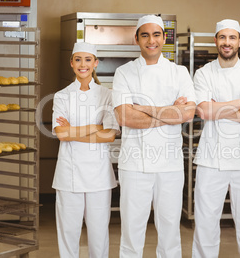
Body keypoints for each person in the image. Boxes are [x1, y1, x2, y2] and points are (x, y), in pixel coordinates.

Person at [112, 14, 196, 258]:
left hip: (169, 164)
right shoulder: (124, 73)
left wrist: (143, 107)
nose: (151, 40)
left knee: (170, 229)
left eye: (156, 34)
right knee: (132, 229)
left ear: (164, 38)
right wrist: (171, 110)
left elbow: (188, 112)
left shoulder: (179, 72)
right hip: (135, 163)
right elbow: (125, 118)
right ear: (136, 38)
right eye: (145, 35)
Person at [192, 19, 240, 258]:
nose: (227, 43)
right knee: (205, 222)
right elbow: (203, 111)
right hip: (210, 159)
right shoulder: (203, 73)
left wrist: (218, 109)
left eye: (232, 38)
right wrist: (238, 104)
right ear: (215, 41)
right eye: (222, 38)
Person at [52, 42, 119, 258]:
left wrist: (73, 130)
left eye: (88, 59)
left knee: (99, 235)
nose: (83, 64)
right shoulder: (61, 96)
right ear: (71, 63)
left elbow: (110, 134)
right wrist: (94, 128)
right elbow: (61, 134)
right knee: (68, 233)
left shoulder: (107, 95)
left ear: (95, 63)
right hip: (68, 174)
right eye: (78, 59)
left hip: (99, 175)